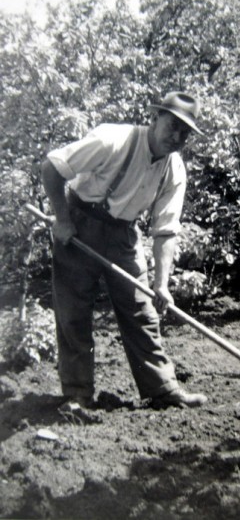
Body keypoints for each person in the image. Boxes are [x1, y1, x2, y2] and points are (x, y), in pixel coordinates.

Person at [41, 91, 207, 412]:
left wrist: (161, 284)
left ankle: (163, 389)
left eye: (185, 133)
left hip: (123, 237)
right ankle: (77, 394)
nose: (176, 137)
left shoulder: (174, 170)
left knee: (142, 312)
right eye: (172, 126)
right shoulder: (112, 140)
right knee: (73, 314)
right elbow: (52, 167)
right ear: (154, 117)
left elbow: (166, 229)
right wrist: (62, 220)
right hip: (80, 224)